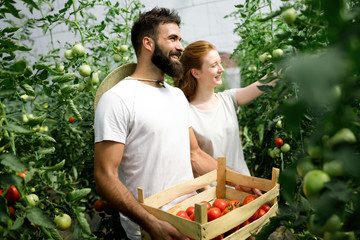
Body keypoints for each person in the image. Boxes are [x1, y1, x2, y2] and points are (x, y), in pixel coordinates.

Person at [94, 8, 220, 240]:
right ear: (148, 43)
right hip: (151, 229)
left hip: (191, 217)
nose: (181, 47)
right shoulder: (117, 99)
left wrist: (237, 181)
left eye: (180, 39)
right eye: (172, 38)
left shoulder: (177, 95)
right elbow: (104, 176)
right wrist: (151, 223)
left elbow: (195, 155)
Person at [174, 40, 276, 192]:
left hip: (246, 188)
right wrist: (210, 198)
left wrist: (284, 69)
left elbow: (264, 84)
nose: (221, 69)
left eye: (220, 63)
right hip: (217, 198)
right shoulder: (186, 113)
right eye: (214, 65)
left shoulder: (228, 99)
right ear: (196, 73)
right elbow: (193, 162)